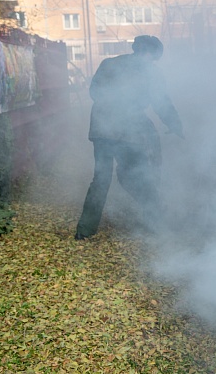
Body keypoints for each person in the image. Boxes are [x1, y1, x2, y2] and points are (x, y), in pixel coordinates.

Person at [75, 35, 184, 240]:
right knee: (136, 174)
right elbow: (161, 103)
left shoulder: (108, 64)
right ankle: (156, 222)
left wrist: (110, 108)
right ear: (150, 54)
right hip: (128, 131)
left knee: (101, 178)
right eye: (154, 58)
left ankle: (84, 231)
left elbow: (94, 92)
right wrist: (176, 125)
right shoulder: (151, 72)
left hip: (102, 130)